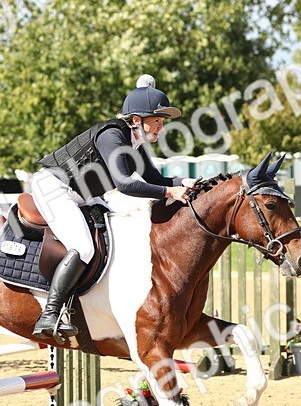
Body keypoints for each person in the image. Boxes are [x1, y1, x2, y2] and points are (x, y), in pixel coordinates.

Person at [30, 75, 193, 338]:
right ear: (137, 120)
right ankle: (50, 314)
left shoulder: (134, 142)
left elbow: (155, 180)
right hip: (55, 189)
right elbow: (126, 184)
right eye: (158, 121)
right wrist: (170, 191)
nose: (162, 128)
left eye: (162, 122)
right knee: (83, 247)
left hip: (82, 195)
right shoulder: (112, 134)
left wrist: (187, 182)